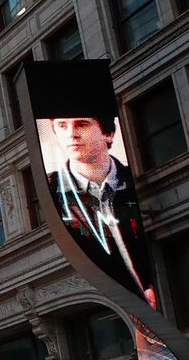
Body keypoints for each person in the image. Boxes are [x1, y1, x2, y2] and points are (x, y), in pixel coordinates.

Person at [43, 115, 158, 307]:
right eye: (62, 126)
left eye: (82, 124)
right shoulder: (50, 191)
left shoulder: (135, 177)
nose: (71, 134)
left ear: (109, 133)